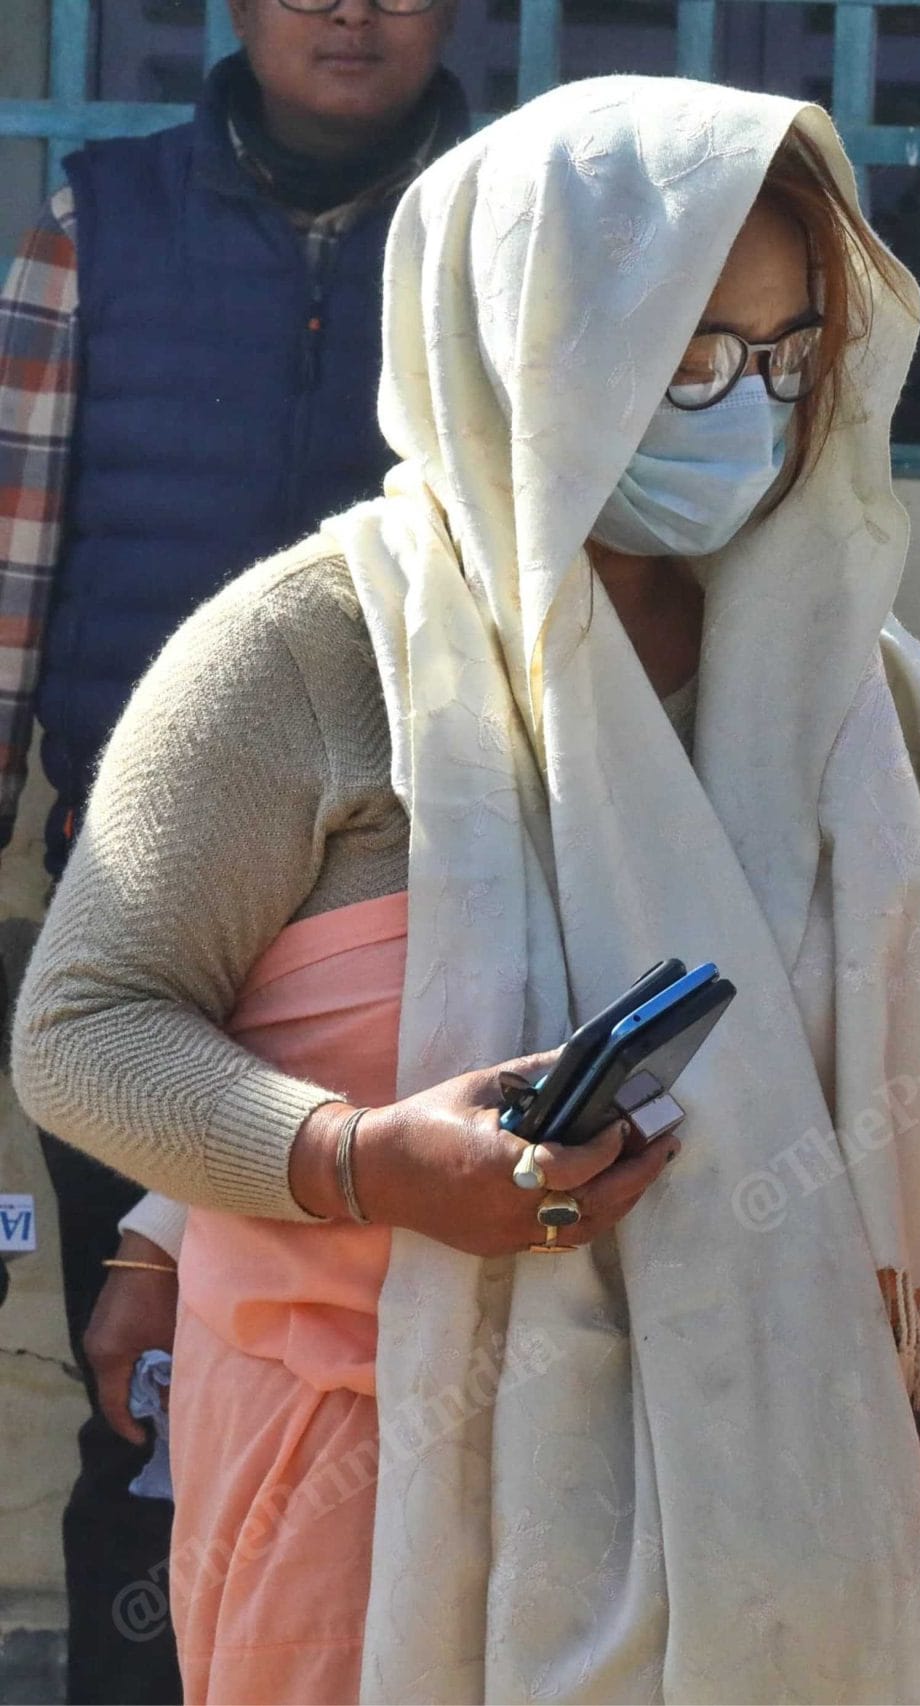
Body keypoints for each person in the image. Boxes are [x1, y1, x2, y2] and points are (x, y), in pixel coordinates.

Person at [11, 77, 920, 1702]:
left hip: (769, 1465)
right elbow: (89, 1023)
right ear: (532, 346)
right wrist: (364, 1158)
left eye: (788, 355)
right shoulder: (306, 654)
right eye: (686, 358)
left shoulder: (829, 674)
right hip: (367, 1457)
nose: (746, 406)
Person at [0, 2, 465, 1696]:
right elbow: (13, 541)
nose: (351, 10)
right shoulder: (99, 220)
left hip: (420, 921)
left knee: (405, 1369)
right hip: (150, 911)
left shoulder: (498, 222)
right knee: (147, 1373)